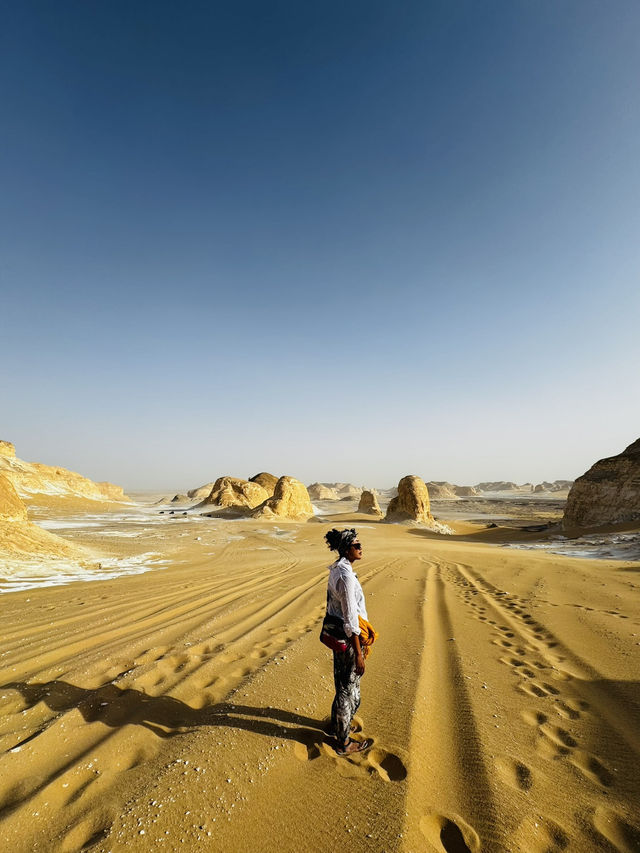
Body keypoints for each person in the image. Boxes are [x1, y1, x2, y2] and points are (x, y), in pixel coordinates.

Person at [324, 528, 373, 755]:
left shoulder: (338, 570)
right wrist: (359, 653)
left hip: (339, 639)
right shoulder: (344, 576)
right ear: (346, 549)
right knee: (349, 691)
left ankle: (338, 726)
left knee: (341, 684)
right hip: (349, 640)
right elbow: (351, 619)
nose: (361, 548)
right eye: (356, 545)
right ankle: (343, 742)